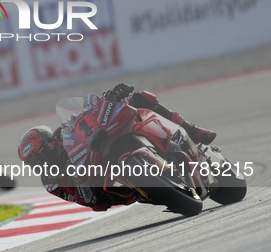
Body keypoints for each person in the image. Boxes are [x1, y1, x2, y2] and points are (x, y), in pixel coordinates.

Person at [17, 83, 216, 211]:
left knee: (140, 98)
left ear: (50, 144)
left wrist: (110, 98)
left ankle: (191, 129)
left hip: (101, 146)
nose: (40, 165)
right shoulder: (51, 181)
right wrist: (83, 188)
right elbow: (85, 199)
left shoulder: (64, 132)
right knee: (98, 201)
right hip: (99, 184)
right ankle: (146, 189)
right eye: (33, 163)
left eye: (40, 158)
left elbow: (87, 115)